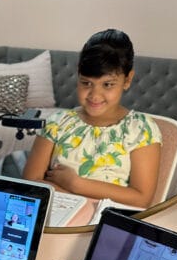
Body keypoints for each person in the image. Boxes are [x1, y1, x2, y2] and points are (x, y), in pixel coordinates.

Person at [23, 29, 162, 208]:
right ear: (78, 74)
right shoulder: (57, 123)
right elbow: (30, 183)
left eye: (108, 84)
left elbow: (141, 198)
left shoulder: (141, 130)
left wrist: (76, 184)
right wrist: (81, 200)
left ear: (127, 79)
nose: (95, 95)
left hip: (103, 226)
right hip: (55, 219)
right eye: (86, 83)